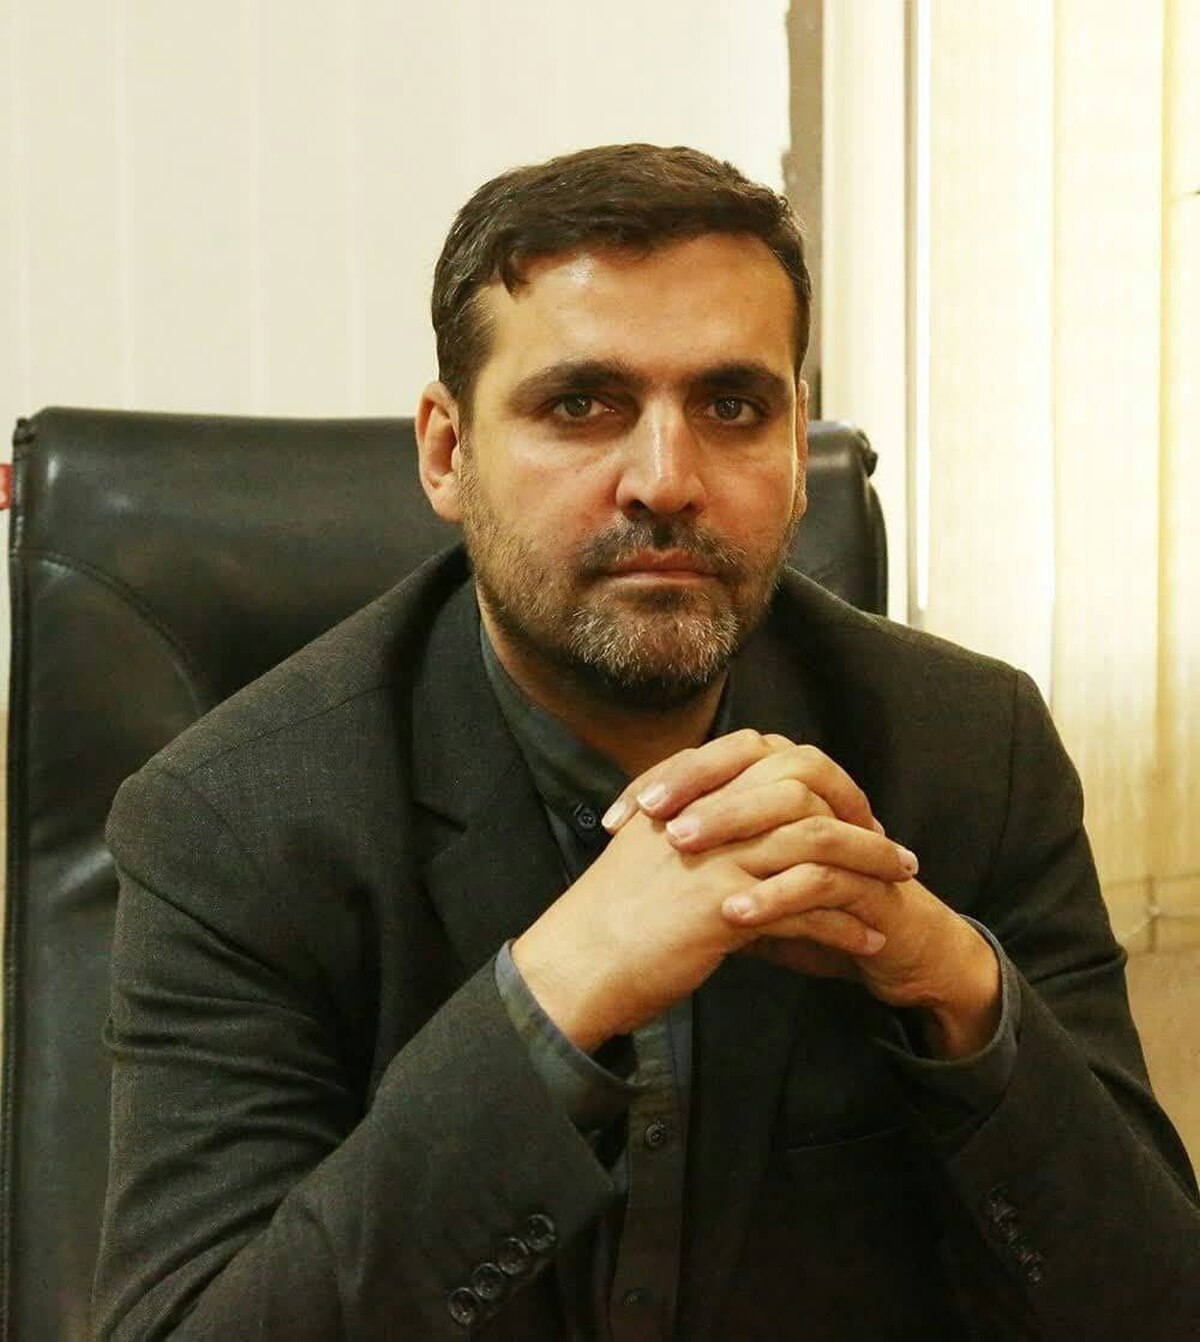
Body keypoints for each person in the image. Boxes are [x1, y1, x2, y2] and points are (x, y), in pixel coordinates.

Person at [93, 144, 1199, 1341]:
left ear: (796, 452)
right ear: (448, 452)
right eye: (582, 405)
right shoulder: (237, 818)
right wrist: (554, 994)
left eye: (732, 407)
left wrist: (958, 988)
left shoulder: (969, 751)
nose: (666, 481)